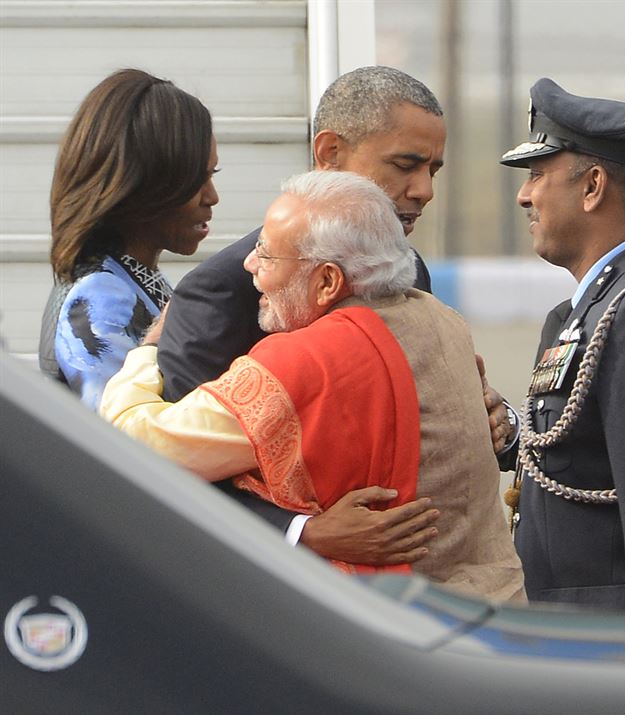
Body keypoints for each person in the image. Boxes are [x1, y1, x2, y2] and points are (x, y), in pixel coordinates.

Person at [101, 170, 525, 599]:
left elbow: (137, 445)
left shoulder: (304, 360)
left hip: (393, 634)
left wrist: (148, 352)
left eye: (266, 255)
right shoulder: (443, 321)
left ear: (326, 282)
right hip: (495, 613)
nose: (250, 265)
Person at [156, 65, 516, 565]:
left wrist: (493, 422)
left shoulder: (412, 276)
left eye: (433, 170)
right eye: (405, 164)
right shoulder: (221, 292)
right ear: (330, 154)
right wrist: (302, 532)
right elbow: (174, 464)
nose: (424, 190)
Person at [501, 78, 625, 611]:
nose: (523, 195)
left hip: (612, 650)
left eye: (537, 175)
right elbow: (587, 459)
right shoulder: (585, 310)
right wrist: (514, 434)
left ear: (593, 186)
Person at [38, 68, 218, 410]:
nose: (212, 196)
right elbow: (127, 439)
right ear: (144, 184)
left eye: (212, 175)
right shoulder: (99, 299)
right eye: (197, 179)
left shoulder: (129, 278)